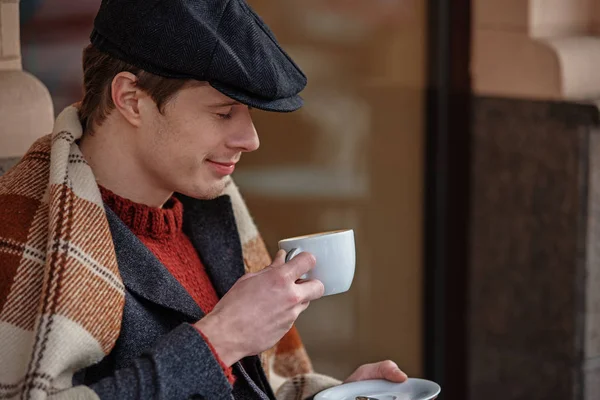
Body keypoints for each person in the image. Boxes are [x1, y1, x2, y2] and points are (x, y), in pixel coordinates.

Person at [0, 0, 407, 399]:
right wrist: (220, 340)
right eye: (223, 113)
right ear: (130, 99)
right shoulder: (23, 235)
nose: (251, 140)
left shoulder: (211, 213)